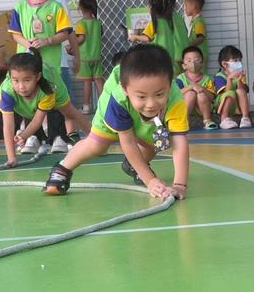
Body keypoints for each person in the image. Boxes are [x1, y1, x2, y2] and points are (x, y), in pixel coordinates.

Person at [43, 44, 189, 199]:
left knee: (157, 141)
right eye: (142, 96)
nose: (151, 104)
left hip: (150, 115)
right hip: (116, 104)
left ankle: (135, 166)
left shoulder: (175, 100)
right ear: (125, 90)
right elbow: (128, 142)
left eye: (159, 94)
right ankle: (62, 170)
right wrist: (150, 180)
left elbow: (179, 142)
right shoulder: (117, 98)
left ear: (169, 85)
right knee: (97, 144)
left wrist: (179, 185)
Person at [0, 50, 90, 165]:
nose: (21, 86)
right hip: (17, 92)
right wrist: (11, 158)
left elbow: (37, 120)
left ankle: (95, 139)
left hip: (53, 82)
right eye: (16, 80)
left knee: (70, 112)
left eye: (27, 80)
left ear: (37, 77)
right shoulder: (8, 89)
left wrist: (23, 135)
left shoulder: (48, 90)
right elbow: (8, 125)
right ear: (10, 78)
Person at [8, 0, 81, 153]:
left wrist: (48, 41)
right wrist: (28, 44)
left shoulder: (56, 6)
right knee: (28, 96)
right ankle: (34, 137)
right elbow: (15, 34)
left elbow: (65, 32)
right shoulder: (20, 7)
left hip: (51, 64)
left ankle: (58, 136)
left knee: (53, 97)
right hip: (27, 64)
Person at [74, 0, 104, 113]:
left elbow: (81, 38)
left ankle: (86, 107)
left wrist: (71, 44)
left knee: (87, 82)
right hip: (97, 57)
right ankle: (104, 106)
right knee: (98, 81)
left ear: (80, 6)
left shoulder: (80, 24)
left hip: (85, 58)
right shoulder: (98, 23)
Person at [175, 46, 216, 129]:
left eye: (196, 59)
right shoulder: (180, 79)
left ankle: (207, 120)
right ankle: (184, 120)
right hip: (185, 107)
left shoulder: (207, 79)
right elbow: (176, 95)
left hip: (202, 108)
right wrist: (191, 87)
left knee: (201, 95)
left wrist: (202, 89)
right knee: (190, 94)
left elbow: (212, 98)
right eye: (189, 60)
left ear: (202, 63)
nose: (193, 62)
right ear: (184, 65)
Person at [213, 45, 251, 129]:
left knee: (240, 91)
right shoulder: (219, 76)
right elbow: (227, 91)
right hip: (223, 103)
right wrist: (229, 79)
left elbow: (244, 90)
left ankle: (245, 117)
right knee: (230, 93)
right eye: (235, 60)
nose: (239, 63)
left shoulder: (240, 75)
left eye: (240, 60)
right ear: (225, 64)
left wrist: (239, 80)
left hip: (237, 104)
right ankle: (224, 118)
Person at [184, 0, 208, 70]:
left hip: (199, 57)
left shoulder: (198, 22)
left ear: (193, 6)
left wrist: (188, 46)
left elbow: (201, 38)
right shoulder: (194, 21)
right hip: (196, 56)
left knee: (200, 76)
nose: (185, 8)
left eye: (186, 6)